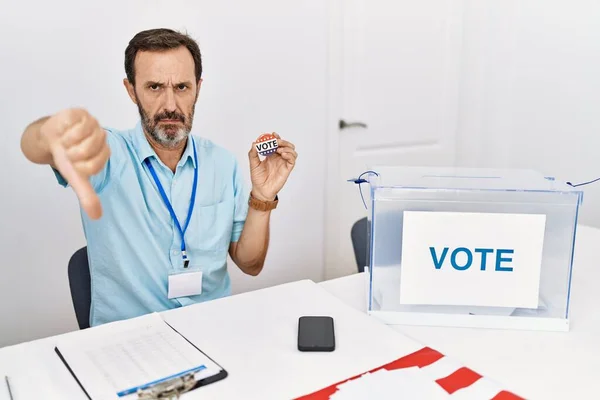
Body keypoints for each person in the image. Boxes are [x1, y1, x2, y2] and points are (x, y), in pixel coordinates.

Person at [20, 28, 297, 327]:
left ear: (198, 89)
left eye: (181, 87)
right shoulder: (106, 154)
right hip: (130, 341)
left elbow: (250, 264)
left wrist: (263, 197)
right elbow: (37, 145)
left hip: (212, 331)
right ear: (131, 90)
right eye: (154, 87)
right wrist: (46, 135)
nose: (169, 105)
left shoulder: (221, 163)